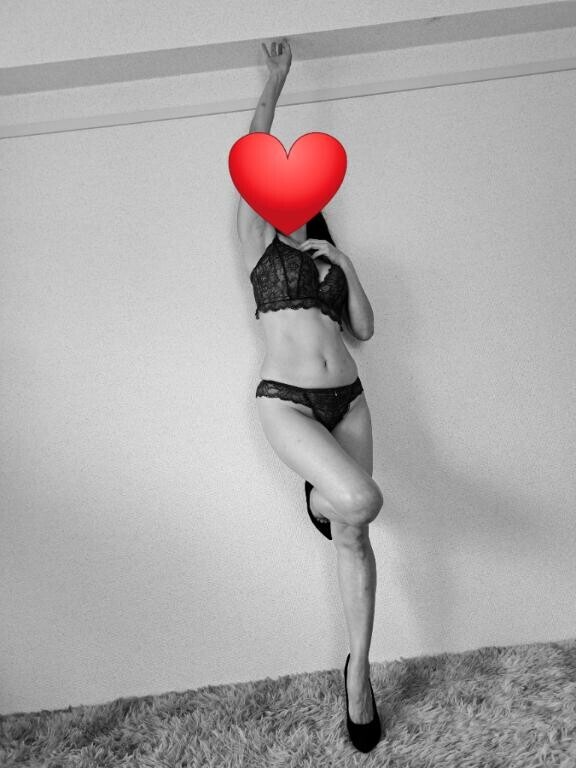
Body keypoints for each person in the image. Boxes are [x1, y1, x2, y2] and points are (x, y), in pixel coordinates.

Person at [236, 37, 384, 753]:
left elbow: (365, 329)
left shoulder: (328, 254)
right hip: (288, 401)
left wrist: (347, 263)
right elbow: (252, 152)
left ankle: (359, 672)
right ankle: (321, 498)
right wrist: (276, 79)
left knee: (355, 530)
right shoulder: (258, 241)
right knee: (362, 501)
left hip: (348, 399)